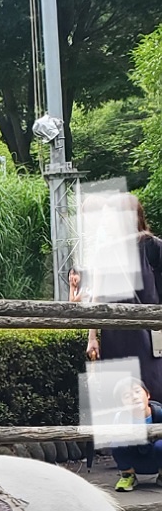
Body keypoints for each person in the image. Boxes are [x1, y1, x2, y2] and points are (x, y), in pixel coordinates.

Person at [84, 196, 162, 487]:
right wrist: (92, 336)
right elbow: (96, 297)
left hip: (148, 336)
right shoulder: (104, 251)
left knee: (153, 393)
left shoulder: (152, 246)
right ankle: (126, 469)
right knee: (118, 396)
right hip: (115, 335)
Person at [109, 376, 162, 491]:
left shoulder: (159, 414)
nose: (134, 397)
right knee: (117, 442)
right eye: (127, 396)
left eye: (137, 391)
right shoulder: (120, 418)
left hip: (157, 458)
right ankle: (128, 475)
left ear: (147, 395)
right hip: (135, 460)